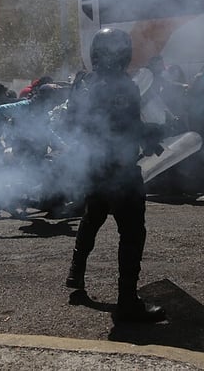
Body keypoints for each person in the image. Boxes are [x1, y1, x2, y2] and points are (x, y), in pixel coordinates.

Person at [63, 28, 167, 323]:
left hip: (92, 166)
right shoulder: (124, 85)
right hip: (119, 170)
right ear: (122, 52)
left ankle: (75, 273)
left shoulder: (82, 82)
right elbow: (127, 129)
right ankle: (127, 303)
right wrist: (153, 135)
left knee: (92, 216)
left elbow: (71, 122)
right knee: (132, 233)